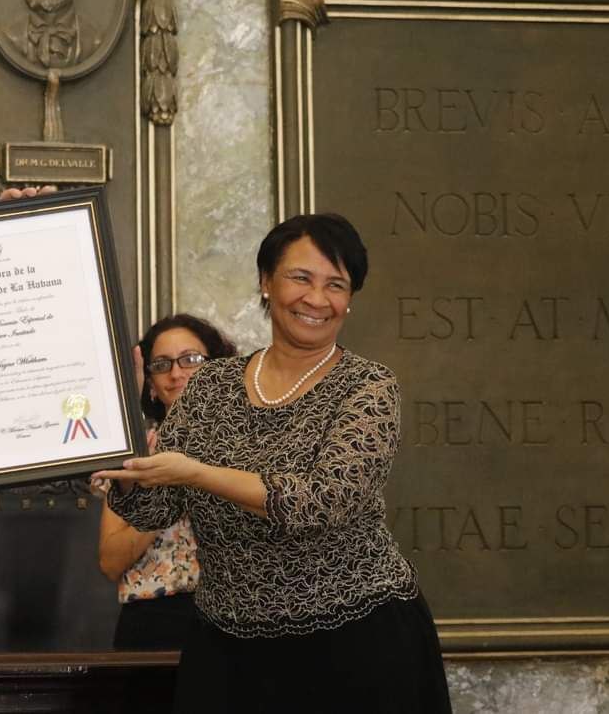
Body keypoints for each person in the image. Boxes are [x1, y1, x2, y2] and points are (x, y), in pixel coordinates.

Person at [94, 213, 452, 713]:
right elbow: (154, 510)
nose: (317, 298)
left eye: (336, 285)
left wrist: (196, 472)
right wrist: (125, 457)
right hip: (228, 648)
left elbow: (322, 501)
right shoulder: (210, 386)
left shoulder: (368, 386)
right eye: (300, 277)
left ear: (350, 299)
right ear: (266, 281)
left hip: (356, 642)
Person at [97, 314, 236, 650]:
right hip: (152, 622)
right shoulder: (136, 452)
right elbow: (110, 562)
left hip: (236, 621)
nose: (177, 373)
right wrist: (166, 484)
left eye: (191, 360)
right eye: (162, 364)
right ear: (151, 383)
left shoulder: (245, 446)